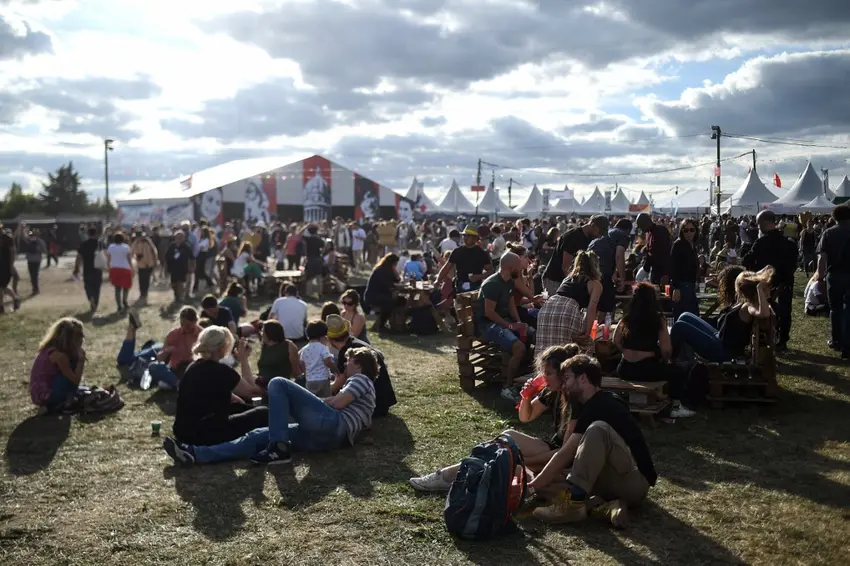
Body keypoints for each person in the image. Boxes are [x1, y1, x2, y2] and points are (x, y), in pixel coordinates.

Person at [163, 346, 379, 466]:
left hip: (334, 425)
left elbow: (338, 403)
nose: (346, 363)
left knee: (278, 383)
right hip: (328, 440)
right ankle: (196, 454)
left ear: (359, 364)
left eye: (350, 360)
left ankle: (279, 448)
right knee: (257, 435)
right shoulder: (361, 388)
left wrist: (303, 401)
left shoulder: (362, 379)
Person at [409, 344, 582, 491]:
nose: (543, 378)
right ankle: (452, 476)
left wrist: (523, 460)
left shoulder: (575, 401)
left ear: (563, 373)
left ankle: (448, 476)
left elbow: (565, 454)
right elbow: (526, 417)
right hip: (551, 450)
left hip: (564, 459)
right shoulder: (553, 392)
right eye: (542, 373)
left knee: (501, 457)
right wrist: (527, 397)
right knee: (506, 440)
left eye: (548, 373)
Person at [531, 355, 657, 528]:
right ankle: (603, 505)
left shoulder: (603, 404)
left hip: (633, 482)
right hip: (610, 478)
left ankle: (574, 506)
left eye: (567, 379)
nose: (564, 385)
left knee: (598, 428)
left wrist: (534, 483)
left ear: (583, 378)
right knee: (546, 485)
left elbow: (566, 453)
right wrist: (535, 485)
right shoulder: (589, 405)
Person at [171, 326, 268, 446]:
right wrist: (243, 358)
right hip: (202, 432)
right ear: (223, 347)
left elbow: (220, 394)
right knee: (263, 413)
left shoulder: (193, 366)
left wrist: (239, 403)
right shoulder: (221, 371)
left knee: (239, 407)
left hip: (183, 431)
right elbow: (252, 392)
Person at [614, 284, 695, 418]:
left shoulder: (626, 318)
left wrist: (626, 351)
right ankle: (675, 406)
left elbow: (615, 340)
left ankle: (658, 397)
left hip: (625, 369)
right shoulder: (658, 320)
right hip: (647, 369)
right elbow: (666, 350)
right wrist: (661, 357)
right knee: (678, 372)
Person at [671, 267, 773, 362]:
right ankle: (678, 356)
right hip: (719, 339)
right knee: (685, 315)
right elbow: (751, 278)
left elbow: (765, 313)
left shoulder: (748, 306)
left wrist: (759, 288)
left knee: (679, 326)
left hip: (723, 351)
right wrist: (758, 276)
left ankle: (670, 359)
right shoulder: (742, 301)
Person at [477, 252, 533, 402]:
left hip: (504, 321)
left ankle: (524, 378)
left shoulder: (508, 282)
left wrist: (519, 322)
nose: (520, 269)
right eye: (518, 267)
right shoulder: (492, 284)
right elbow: (489, 313)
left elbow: (510, 303)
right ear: (510, 267)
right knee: (519, 348)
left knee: (534, 335)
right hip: (488, 325)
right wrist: (510, 325)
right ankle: (507, 387)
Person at [743, 210, 798, 351]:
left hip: (765, 284)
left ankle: (765, 338)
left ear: (764, 223)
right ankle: (782, 339)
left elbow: (746, 260)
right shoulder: (789, 243)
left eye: (759, 224)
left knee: (764, 311)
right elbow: (793, 265)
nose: (758, 227)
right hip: (785, 283)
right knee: (784, 312)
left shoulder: (761, 242)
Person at [326, 314, 396, 417]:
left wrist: (318, 392)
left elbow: (339, 385)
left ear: (329, 339)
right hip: (383, 402)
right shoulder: (356, 343)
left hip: (373, 407)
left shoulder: (347, 353)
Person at [536, 251, 603, 359]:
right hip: (568, 310)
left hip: (548, 308)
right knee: (584, 345)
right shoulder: (595, 284)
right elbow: (591, 308)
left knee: (546, 348)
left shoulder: (568, 279)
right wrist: (587, 331)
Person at [29, 317, 87, 412]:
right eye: (79, 336)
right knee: (71, 372)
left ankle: (55, 404)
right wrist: (81, 361)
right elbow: (75, 381)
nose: (82, 339)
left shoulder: (49, 350)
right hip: (47, 395)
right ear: (69, 339)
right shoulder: (59, 356)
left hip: (40, 394)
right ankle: (58, 403)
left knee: (84, 389)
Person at [816, 204, 850, 358]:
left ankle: (837, 340)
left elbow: (822, 258)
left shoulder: (828, 233)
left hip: (835, 275)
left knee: (835, 309)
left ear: (834, 218)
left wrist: (820, 277)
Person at [542, 216, 605, 296]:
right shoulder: (572, 237)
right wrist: (574, 287)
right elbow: (566, 267)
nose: (600, 236)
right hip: (554, 279)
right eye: (599, 232)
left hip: (566, 279)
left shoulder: (589, 238)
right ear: (593, 225)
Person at [669, 218, 701, 319]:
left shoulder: (692, 245)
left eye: (692, 230)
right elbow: (674, 267)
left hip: (690, 285)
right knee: (683, 317)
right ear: (681, 231)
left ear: (696, 231)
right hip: (682, 286)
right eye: (686, 230)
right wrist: (676, 288)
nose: (689, 233)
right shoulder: (678, 245)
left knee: (692, 316)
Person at [364, 253, 401, 332]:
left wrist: (395, 271)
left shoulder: (389, 270)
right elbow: (387, 285)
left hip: (382, 294)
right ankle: (381, 325)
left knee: (402, 300)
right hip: (374, 296)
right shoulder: (380, 271)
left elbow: (397, 280)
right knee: (390, 302)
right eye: (395, 264)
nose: (396, 265)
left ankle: (397, 323)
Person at [299, 320, 337, 397]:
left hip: (310, 380)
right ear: (323, 336)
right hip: (323, 379)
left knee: (312, 399)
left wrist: (306, 373)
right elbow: (327, 361)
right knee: (326, 399)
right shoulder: (323, 347)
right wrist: (336, 370)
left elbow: (302, 362)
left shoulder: (304, 349)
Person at [255, 320, 300, 385]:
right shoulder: (264, 346)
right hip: (261, 381)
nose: (261, 334)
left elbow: (295, 371)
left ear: (270, 333)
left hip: (277, 383)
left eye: (263, 331)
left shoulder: (288, 346)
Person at [636, 213, 671, 286]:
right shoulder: (648, 233)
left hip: (662, 271)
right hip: (654, 270)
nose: (640, 228)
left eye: (641, 225)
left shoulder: (661, 230)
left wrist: (665, 274)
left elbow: (666, 253)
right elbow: (650, 252)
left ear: (647, 222)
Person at [106, 233, 134, 312]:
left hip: (114, 269)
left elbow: (108, 259)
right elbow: (129, 259)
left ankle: (119, 305)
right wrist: (132, 268)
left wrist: (109, 268)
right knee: (126, 287)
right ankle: (125, 301)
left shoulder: (111, 247)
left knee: (117, 288)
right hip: (125, 268)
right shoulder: (126, 247)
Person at [130, 231, 158, 305]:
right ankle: (142, 294)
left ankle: (145, 295)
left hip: (149, 264)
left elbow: (154, 251)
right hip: (141, 265)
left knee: (146, 280)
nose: (138, 238)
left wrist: (155, 261)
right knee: (141, 280)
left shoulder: (148, 241)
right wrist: (134, 259)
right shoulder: (136, 243)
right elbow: (131, 252)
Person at [165, 231, 192, 302]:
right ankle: (176, 295)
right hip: (173, 268)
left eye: (181, 237)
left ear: (183, 238)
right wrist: (166, 267)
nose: (179, 239)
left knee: (180, 283)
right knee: (173, 283)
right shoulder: (172, 246)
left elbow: (191, 257)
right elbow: (167, 257)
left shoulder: (186, 247)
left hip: (182, 268)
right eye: (177, 237)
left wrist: (191, 267)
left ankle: (180, 297)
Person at [0, 229, 20, 312]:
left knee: (2, 286)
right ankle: (14, 299)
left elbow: (13, 252)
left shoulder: (7, 238)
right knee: (2, 287)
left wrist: (11, 266)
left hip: (6, 266)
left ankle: (2, 305)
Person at [23, 230, 46, 295]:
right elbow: (44, 250)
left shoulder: (29, 240)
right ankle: (35, 289)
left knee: (32, 275)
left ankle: (35, 289)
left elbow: (23, 236)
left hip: (30, 260)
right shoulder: (40, 241)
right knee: (35, 275)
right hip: (37, 260)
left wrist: (22, 228)